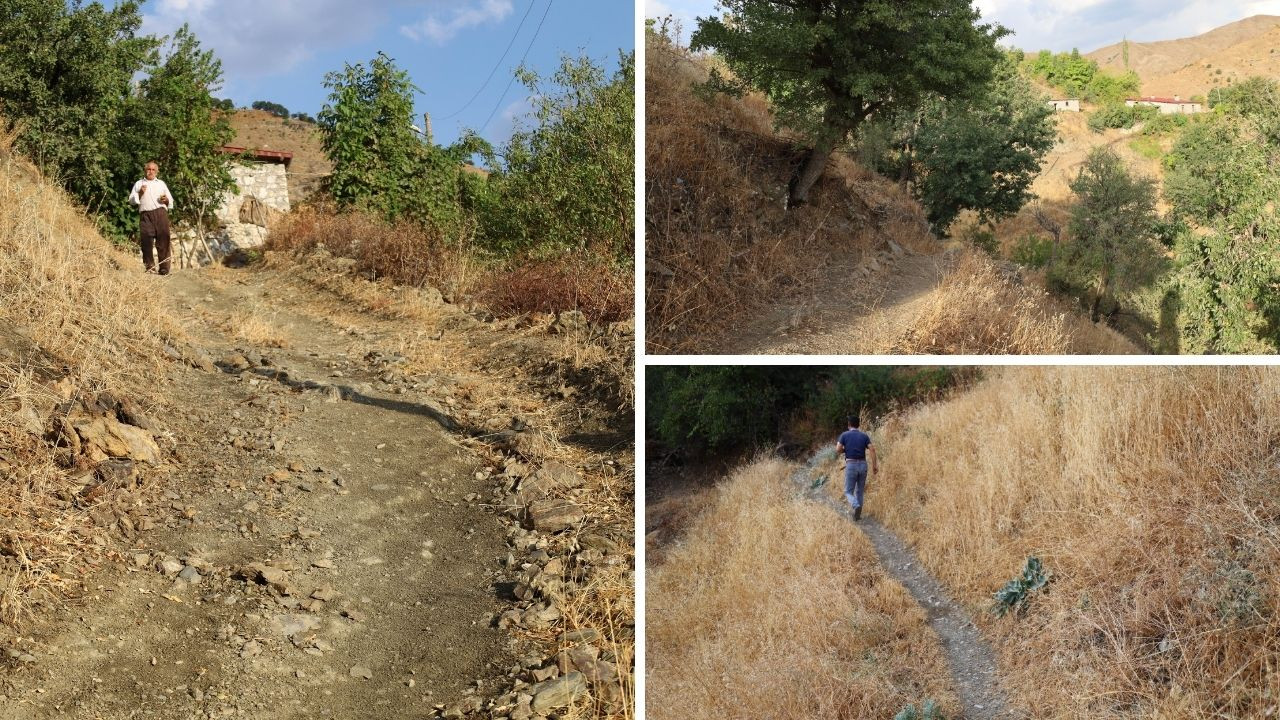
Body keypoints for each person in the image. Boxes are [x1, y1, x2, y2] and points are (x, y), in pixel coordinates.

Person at [128, 161, 175, 275]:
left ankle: (164, 268)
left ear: (157, 171)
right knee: (146, 241)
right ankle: (149, 267)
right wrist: (140, 193)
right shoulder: (139, 184)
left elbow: (170, 200)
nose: (151, 172)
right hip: (145, 215)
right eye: (149, 169)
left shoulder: (161, 184)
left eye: (153, 170)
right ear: (145, 170)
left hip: (160, 214)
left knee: (163, 240)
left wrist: (166, 200)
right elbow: (131, 201)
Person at [836, 414, 877, 520]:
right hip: (863, 465)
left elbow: (838, 449)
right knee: (859, 491)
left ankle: (855, 505)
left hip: (851, 465)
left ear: (849, 424)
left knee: (848, 491)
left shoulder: (844, 435)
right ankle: (857, 515)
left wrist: (846, 450)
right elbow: (872, 449)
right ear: (858, 425)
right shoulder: (864, 436)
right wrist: (874, 466)